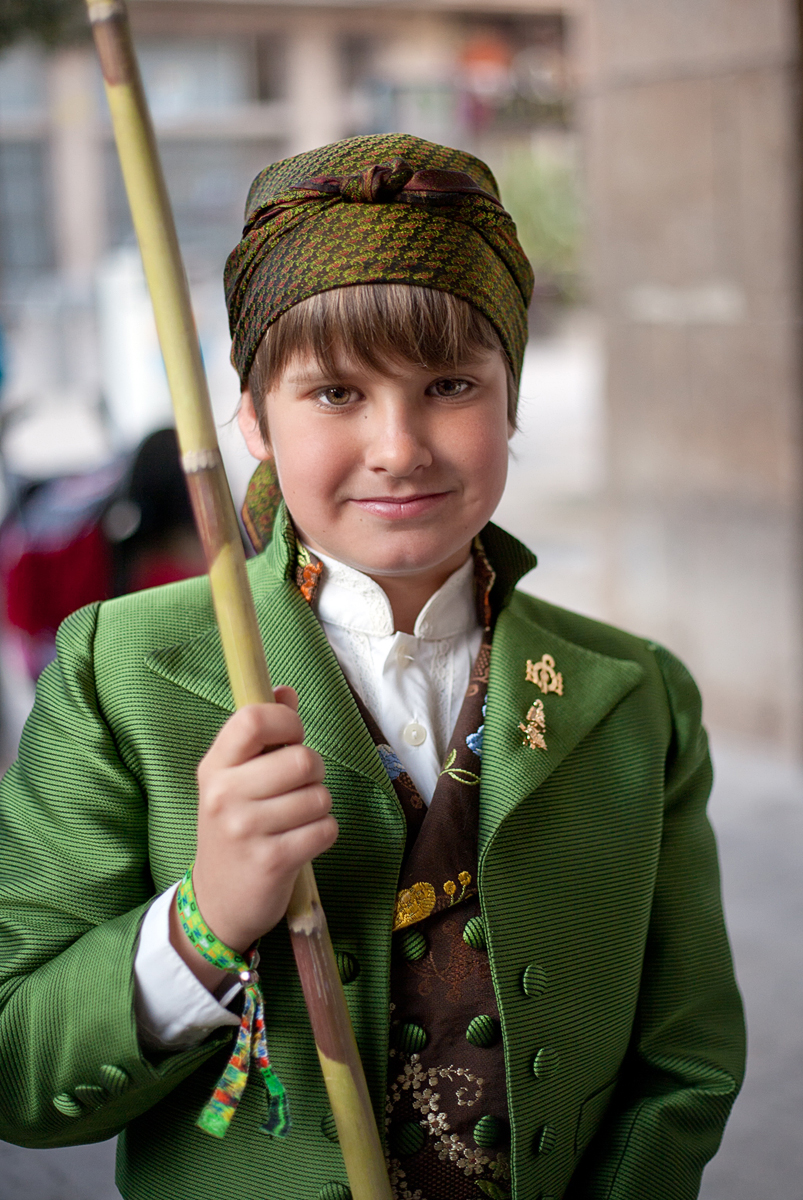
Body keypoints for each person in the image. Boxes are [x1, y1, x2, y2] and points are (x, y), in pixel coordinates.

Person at [0, 134, 745, 1200]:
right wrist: (204, 919)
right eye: (336, 394)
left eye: (448, 382)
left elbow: (687, 1060)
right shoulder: (117, 674)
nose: (399, 446)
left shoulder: (635, 697)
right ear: (252, 417)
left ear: (511, 398)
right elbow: (17, 1065)